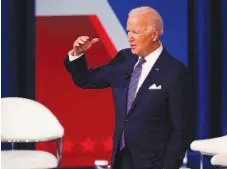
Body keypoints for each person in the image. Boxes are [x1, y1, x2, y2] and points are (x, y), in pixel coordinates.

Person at [64, 6, 194, 169]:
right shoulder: (123, 59)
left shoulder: (175, 72)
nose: (129, 38)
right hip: (121, 158)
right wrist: (77, 55)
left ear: (154, 34)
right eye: (128, 31)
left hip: (154, 163)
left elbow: (181, 130)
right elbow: (87, 80)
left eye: (136, 32)